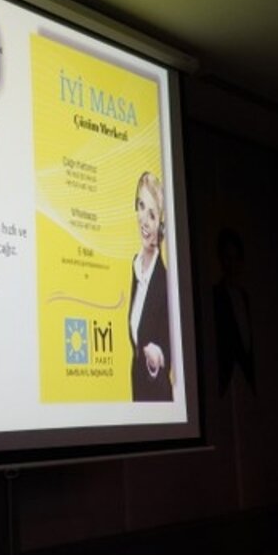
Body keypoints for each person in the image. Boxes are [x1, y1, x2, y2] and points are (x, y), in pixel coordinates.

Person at [128, 171, 173, 401]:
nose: (144, 221)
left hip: (158, 397)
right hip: (138, 395)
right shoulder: (135, 267)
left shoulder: (165, 281)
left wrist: (158, 357)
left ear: (161, 227)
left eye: (152, 215)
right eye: (141, 205)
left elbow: (170, 347)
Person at [213, 227, 256, 396]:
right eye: (227, 258)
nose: (231, 264)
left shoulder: (245, 297)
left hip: (245, 379)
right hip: (227, 381)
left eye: (235, 258)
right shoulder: (216, 295)